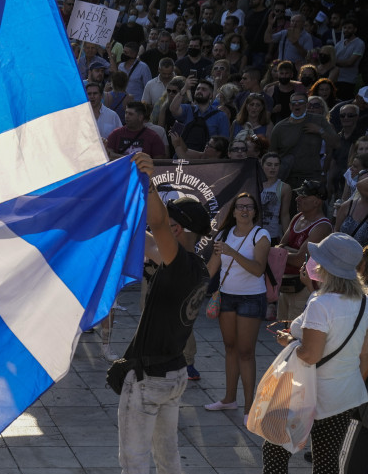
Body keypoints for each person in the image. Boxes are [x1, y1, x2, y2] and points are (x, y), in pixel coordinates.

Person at [119, 153, 211, 474]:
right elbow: (150, 242)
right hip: (174, 374)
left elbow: (156, 224)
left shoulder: (180, 264)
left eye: (170, 222)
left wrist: (149, 183)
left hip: (150, 377)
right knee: (168, 457)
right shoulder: (196, 267)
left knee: (134, 460)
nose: (162, 224)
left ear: (178, 228)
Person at [264, 233, 368, 473]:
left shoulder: (320, 304)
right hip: (343, 396)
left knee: (275, 452)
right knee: (327, 460)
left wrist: (289, 340)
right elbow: (364, 357)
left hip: (304, 392)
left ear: (325, 267)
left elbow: (310, 355)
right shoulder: (364, 302)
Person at [203, 194, 270, 425]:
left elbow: (258, 270)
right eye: (240, 207)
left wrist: (232, 253)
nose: (244, 211)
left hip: (251, 298)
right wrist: (194, 286)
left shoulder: (261, 235)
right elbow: (212, 267)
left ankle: (249, 407)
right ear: (232, 212)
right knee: (230, 347)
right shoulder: (223, 235)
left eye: (249, 208)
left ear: (254, 212)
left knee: (245, 352)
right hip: (226, 297)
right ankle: (229, 398)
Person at [276, 180, 331, 322]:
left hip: (304, 287)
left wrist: (284, 251)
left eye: (303, 196)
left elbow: (300, 260)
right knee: (283, 333)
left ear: (317, 202)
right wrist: (289, 251)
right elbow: (280, 248)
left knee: (296, 334)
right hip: (287, 284)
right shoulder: (297, 217)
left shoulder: (322, 226)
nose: (297, 198)